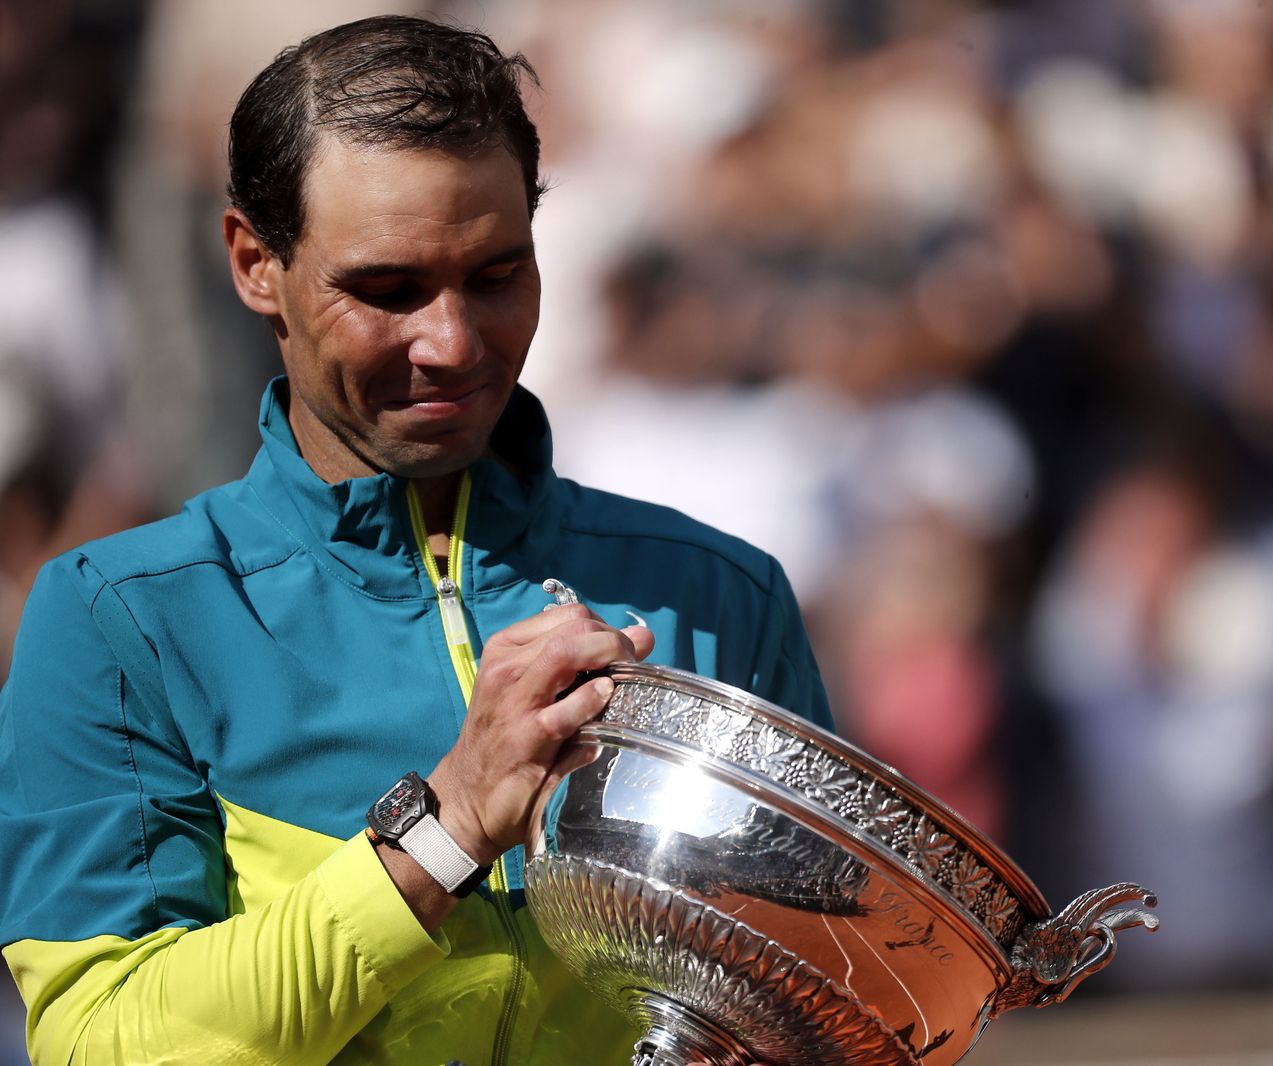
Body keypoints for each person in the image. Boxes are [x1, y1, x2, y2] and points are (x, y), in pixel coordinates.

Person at [0, 15, 831, 1065]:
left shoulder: (722, 591)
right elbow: (101, 1041)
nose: (452, 342)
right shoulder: (119, 617)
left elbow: (832, 1004)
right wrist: (448, 828)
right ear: (255, 263)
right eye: (387, 291)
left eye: (496, 275)